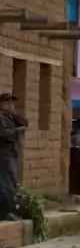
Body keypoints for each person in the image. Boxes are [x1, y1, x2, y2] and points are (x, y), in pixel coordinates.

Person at [0, 93, 27, 222]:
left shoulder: (10, 117)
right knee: (7, 185)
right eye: (8, 103)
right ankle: (4, 213)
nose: (11, 105)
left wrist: (15, 113)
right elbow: (3, 134)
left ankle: (8, 210)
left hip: (12, 154)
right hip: (3, 156)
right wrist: (17, 131)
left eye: (12, 103)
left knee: (11, 184)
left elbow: (25, 123)